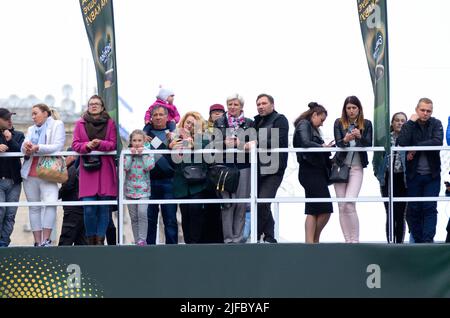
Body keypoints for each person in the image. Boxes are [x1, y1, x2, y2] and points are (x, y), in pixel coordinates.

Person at [72, 95, 117, 245]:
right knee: (89, 208)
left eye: (97, 104)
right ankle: (91, 240)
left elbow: (113, 144)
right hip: (88, 170)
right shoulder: (80, 123)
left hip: (106, 170)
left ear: (102, 107)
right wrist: (87, 146)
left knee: (104, 209)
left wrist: (100, 144)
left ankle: (99, 240)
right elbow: (75, 145)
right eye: (91, 104)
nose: (94, 106)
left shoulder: (110, 123)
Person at [398, 98, 443, 243]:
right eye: (422, 110)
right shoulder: (410, 124)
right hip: (414, 175)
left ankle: (428, 241)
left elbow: (437, 141)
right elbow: (402, 142)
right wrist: (410, 123)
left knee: (430, 207)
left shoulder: (436, 123)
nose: (425, 113)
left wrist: (416, 146)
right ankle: (417, 241)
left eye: (428, 111)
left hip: (432, 175)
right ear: (417, 110)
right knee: (414, 209)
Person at [21, 104, 65, 247]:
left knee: (51, 204)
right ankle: (37, 241)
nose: (33, 117)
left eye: (35, 113)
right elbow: (23, 146)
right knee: (34, 207)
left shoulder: (57, 124)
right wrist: (26, 148)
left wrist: (38, 148)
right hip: (30, 173)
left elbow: (57, 146)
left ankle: (46, 240)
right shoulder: (30, 129)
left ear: (45, 113)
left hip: (49, 172)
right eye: (32, 114)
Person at [213, 94, 255, 243]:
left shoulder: (250, 122)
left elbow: (253, 141)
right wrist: (224, 143)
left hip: (243, 166)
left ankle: (238, 238)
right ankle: (228, 238)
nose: (232, 107)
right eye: (230, 104)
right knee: (227, 203)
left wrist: (240, 143)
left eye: (235, 104)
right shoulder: (219, 122)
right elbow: (214, 143)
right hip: (225, 167)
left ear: (241, 107)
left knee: (241, 203)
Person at [333, 96, 373, 243]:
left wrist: (359, 137)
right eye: (348, 108)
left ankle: (355, 240)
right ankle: (347, 240)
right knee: (342, 205)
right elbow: (338, 143)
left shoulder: (367, 123)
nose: (351, 111)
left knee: (350, 203)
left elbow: (368, 143)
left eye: (354, 108)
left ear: (359, 109)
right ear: (345, 109)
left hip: (357, 167)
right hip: (340, 166)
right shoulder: (338, 123)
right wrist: (346, 139)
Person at [293, 102, 334, 243]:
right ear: (314, 115)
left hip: (315, 171)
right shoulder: (304, 124)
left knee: (313, 209)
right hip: (310, 171)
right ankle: (312, 241)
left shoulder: (310, 127)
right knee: (325, 208)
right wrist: (322, 146)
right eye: (321, 120)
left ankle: (311, 242)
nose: (322, 124)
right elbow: (305, 142)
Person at [169, 111, 211, 244]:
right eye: (188, 122)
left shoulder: (203, 138)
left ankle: (196, 244)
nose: (189, 125)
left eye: (193, 124)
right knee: (185, 215)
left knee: (196, 212)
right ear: (183, 122)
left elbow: (208, 148)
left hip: (197, 184)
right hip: (181, 183)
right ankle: (188, 245)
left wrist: (193, 144)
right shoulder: (175, 136)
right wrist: (169, 145)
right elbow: (158, 148)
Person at [253, 94, 289, 243]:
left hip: (274, 168)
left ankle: (255, 235)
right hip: (258, 168)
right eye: (258, 104)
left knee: (262, 202)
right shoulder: (256, 122)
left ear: (272, 105)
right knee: (259, 203)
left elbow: (277, 140)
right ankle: (269, 236)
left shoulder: (280, 119)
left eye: (264, 103)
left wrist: (255, 143)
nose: (260, 106)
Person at [144, 105, 178, 245]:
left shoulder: (174, 133)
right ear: (151, 118)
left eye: (161, 114)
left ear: (167, 117)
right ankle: (148, 251)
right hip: (149, 182)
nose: (158, 117)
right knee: (149, 220)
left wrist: (172, 139)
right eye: (155, 115)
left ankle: (173, 251)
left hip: (169, 182)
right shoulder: (144, 134)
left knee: (170, 220)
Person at [374, 112, 408, 243]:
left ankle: (399, 243)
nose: (400, 123)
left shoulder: (408, 138)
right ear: (392, 123)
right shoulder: (385, 139)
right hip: (387, 178)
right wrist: (378, 173)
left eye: (403, 121)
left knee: (400, 214)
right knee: (390, 213)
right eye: (397, 120)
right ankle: (390, 242)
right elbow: (376, 159)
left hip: (402, 178)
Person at [124, 129, 155, 246]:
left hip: (144, 190)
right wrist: (130, 155)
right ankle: (137, 241)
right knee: (134, 217)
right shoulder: (127, 152)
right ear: (131, 141)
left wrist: (143, 154)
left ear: (143, 141)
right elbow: (125, 168)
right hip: (130, 190)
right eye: (134, 140)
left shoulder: (148, 152)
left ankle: (142, 239)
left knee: (142, 213)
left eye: (139, 140)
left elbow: (149, 166)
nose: (137, 143)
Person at [0, 108, 24, 247]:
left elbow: (22, 152)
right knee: (0, 211)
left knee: (10, 214)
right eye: (5, 118)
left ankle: (4, 243)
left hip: (14, 182)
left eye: (10, 118)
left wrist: (10, 140)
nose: (10, 121)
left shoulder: (18, 135)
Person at [58, 148, 87, 246]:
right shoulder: (80, 168)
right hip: (81, 211)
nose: (64, 160)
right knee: (82, 242)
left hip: (72, 212)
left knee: (66, 241)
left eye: (65, 157)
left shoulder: (71, 169)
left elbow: (68, 186)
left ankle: (61, 261)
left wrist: (57, 195)